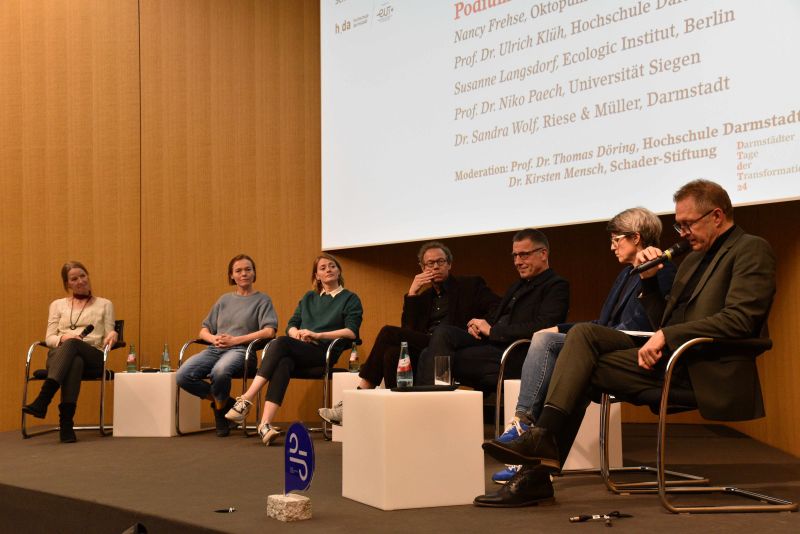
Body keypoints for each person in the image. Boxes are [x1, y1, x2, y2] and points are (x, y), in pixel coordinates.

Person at [477, 179, 776, 507]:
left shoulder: (751, 248)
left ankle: (538, 459)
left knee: (580, 362)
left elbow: (741, 319)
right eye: (678, 226)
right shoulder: (692, 260)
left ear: (717, 216)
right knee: (581, 338)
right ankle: (540, 451)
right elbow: (665, 321)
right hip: (673, 359)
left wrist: (668, 336)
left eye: (687, 224)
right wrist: (649, 282)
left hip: (706, 368)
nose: (682, 233)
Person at [490, 207, 676, 484]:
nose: (612, 247)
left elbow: (653, 321)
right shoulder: (625, 274)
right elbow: (602, 321)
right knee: (545, 337)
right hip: (605, 338)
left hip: (635, 343)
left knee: (559, 348)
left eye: (617, 240)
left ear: (636, 238)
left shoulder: (661, 267)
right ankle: (524, 433)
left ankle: (527, 435)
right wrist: (560, 328)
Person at [318, 241, 500, 425]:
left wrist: (479, 324)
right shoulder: (423, 298)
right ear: (422, 268)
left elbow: (498, 308)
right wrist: (412, 294)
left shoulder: (470, 285)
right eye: (430, 264)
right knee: (391, 353)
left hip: (453, 341)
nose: (436, 266)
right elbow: (408, 332)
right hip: (427, 344)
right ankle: (398, 417)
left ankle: (356, 399)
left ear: (449, 264)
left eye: (441, 262)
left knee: (388, 332)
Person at [225, 253, 363, 446]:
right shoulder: (309, 297)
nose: (328, 270)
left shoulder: (350, 298)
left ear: (339, 271)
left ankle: (246, 399)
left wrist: (317, 335)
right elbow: (291, 324)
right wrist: (296, 333)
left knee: (279, 343)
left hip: (323, 354)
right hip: (300, 352)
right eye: (322, 268)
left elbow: (351, 332)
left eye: (332, 266)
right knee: (283, 362)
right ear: (317, 276)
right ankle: (265, 425)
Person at [418, 229, 570, 390]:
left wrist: (492, 331)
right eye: (515, 255)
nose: (517, 261)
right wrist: (478, 326)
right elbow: (498, 317)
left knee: (430, 356)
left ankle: (434, 404)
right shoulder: (517, 286)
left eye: (524, 255)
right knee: (441, 335)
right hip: (492, 345)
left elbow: (545, 327)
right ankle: (433, 401)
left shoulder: (556, 286)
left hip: (515, 352)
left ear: (543, 254)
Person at [176, 254, 278, 437]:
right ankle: (224, 405)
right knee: (183, 375)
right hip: (215, 349)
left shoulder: (263, 300)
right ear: (232, 276)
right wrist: (212, 338)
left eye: (248, 269)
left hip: (242, 351)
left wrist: (236, 340)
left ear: (254, 273)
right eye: (238, 271)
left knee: (219, 371)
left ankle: (220, 414)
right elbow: (203, 330)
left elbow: (269, 331)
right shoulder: (224, 300)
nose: (244, 273)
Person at [22, 261, 119, 443]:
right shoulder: (57, 305)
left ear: (88, 276)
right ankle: (66, 424)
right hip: (60, 355)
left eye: (83, 276)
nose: (80, 281)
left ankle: (44, 399)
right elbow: (50, 338)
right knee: (75, 361)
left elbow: (109, 333)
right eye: (74, 279)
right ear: (68, 284)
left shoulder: (105, 304)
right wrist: (62, 338)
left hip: (94, 354)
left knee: (75, 347)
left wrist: (113, 333)